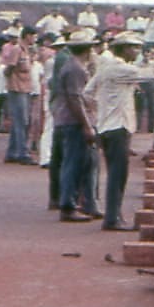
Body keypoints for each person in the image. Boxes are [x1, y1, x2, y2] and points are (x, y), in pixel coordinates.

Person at [85, 31, 154, 230]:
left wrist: (102, 108)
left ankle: (115, 215)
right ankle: (112, 218)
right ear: (123, 49)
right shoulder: (121, 69)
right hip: (118, 126)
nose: (137, 51)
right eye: (134, 47)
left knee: (116, 172)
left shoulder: (106, 68)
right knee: (118, 174)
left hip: (108, 125)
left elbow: (87, 92)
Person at [53, 31, 101, 222]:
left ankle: (87, 203)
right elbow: (75, 100)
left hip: (75, 120)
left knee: (87, 163)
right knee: (74, 163)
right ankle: (68, 205)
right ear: (88, 49)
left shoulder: (74, 66)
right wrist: (86, 125)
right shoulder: (75, 69)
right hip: (75, 122)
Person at [2, 28, 39, 165]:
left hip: (25, 88)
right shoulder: (17, 50)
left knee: (20, 121)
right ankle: (22, 152)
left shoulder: (27, 50)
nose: (35, 39)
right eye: (34, 36)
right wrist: (12, 82)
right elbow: (9, 67)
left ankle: (12, 152)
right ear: (28, 36)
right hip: (17, 89)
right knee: (21, 121)